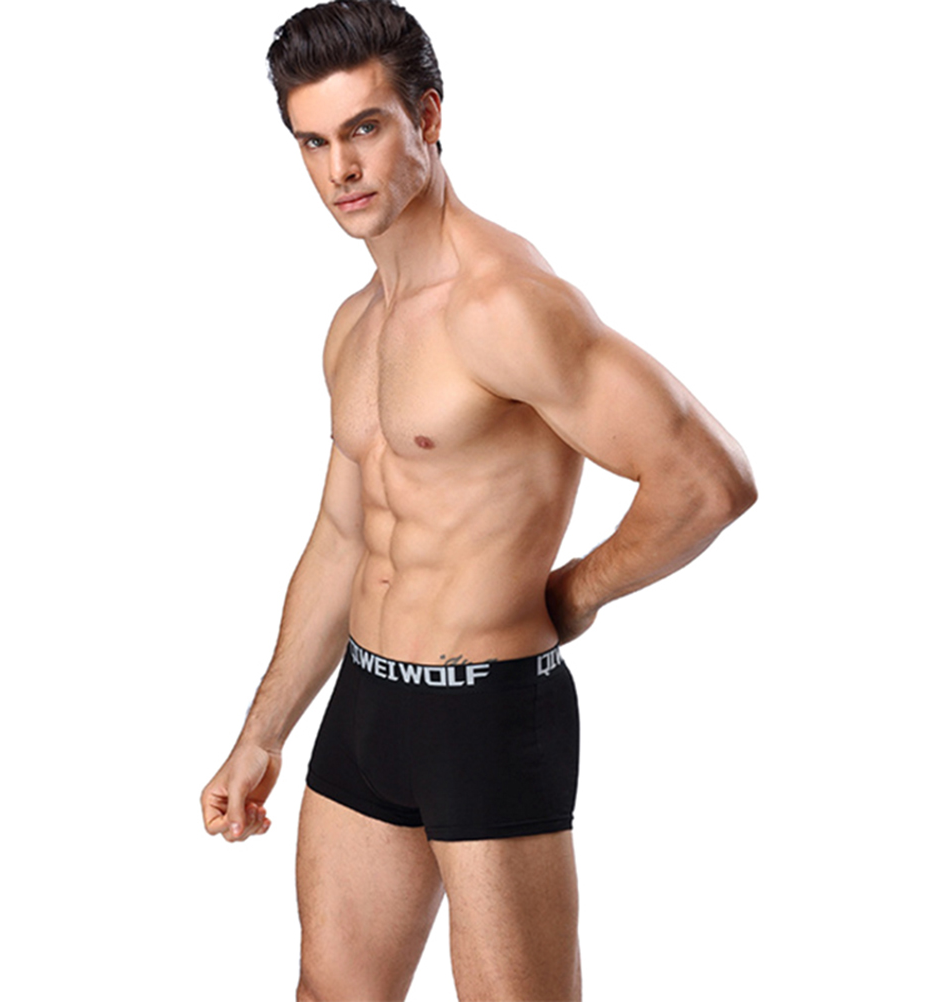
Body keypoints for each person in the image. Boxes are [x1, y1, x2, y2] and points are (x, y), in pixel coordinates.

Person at [200, 2, 757, 998]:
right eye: (314, 142)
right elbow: (341, 537)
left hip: (484, 718)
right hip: (365, 705)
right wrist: (261, 731)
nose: (341, 170)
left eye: (365, 128)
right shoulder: (356, 324)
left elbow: (709, 480)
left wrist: (575, 592)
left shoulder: (505, 304)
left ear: (428, 117)